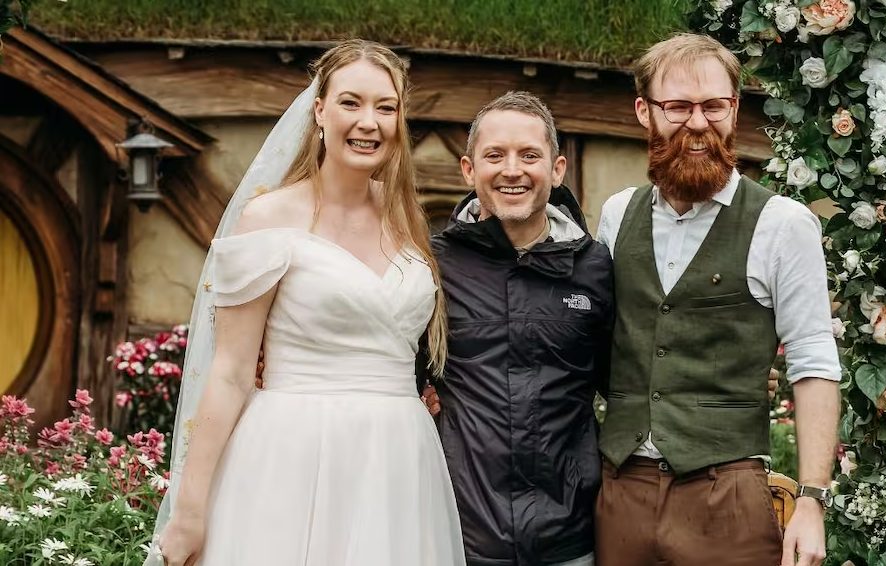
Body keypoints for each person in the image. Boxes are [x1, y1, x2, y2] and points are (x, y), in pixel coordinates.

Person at [148, 40, 466, 566]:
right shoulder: (268, 218)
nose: (369, 122)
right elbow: (229, 372)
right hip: (292, 455)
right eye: (350, 102)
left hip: (398, 460)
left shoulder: (406, 215)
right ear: (319, 111)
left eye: (386, 108)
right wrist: (190, 508)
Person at [594, 34, 841, 566]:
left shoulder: (783, 224)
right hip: (621, 491)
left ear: (734, 110)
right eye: (678, 107)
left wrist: (811, 500)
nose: (698, 123)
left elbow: (814, 361)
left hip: (726, 493)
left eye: (713, 106)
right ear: (644, 111)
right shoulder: (616, 215)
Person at [418, 91, 614, 566]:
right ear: (468, 170)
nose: (512, 170)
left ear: (557, 169)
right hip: (461, 535)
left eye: (529, 155)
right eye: (495, 155)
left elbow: (631, 379)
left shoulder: (594, 268)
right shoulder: (431, 266)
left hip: (569, 537)